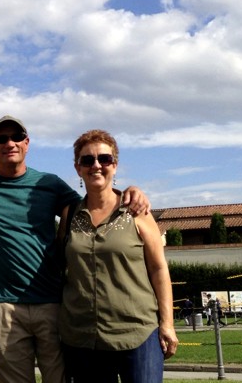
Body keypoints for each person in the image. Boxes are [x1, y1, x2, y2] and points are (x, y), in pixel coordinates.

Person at [0, 116, 150, 383]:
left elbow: (95, 203)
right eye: (1, 138)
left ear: (27, 143)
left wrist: (130, 191)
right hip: (4, 301)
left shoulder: (49, 184)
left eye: (16, 137)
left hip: (51, 302)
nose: (10, 142)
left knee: (60, 378)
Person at [58, 129, 178, 383]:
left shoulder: (137, 211)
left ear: (115, 165)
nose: (96, 166)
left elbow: (159, 269)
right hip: (82, 337)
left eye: (105, 159)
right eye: (87, 160)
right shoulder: (69, 215)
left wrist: (167, 323)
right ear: (78, 168)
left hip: (137, 333)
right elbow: (62, 268)